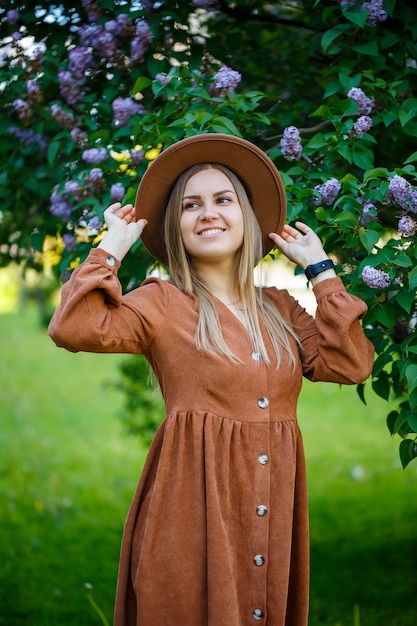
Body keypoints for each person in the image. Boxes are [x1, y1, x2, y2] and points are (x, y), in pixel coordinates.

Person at [48, 133, 374, 626]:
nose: (208, 213)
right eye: (190, 205)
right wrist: (110, 247)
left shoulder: (281, 308)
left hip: (272, 502)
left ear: (246, 215)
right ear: (177, 226)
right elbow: (73, 327)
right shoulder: (160, 302)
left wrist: (322, 272)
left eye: (223, 200)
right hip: (192, 506)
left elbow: (350, 364)